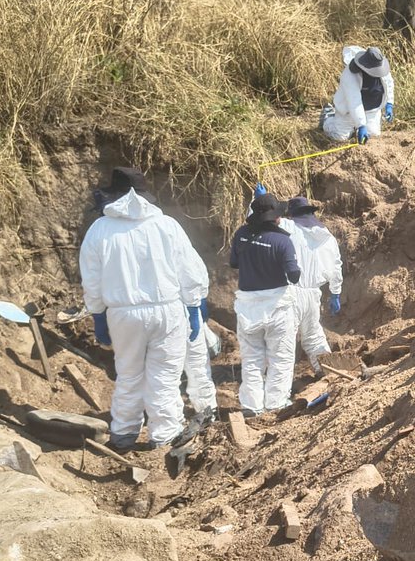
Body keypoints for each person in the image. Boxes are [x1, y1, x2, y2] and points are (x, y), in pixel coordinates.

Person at [79, 167, 208, 450]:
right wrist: (194, 306)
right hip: (167, 310)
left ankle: (124, 431)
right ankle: (164, 435)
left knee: (129, 373)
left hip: (122, 313)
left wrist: (98, 313)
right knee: (165, 375)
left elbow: (91, 277)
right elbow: (190, 270)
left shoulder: (99, 229)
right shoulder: (166, 226)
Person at [229, 193, 301, 415]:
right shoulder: (282, 241)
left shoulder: (241, 235)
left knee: (252, 358)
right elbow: (294, 275)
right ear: (276, 218)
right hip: (277, 306)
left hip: (248, 306)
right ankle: (276, 403)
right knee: (281, 357)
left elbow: (233, 263)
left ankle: (251, 405)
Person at [282, 195, 344, 375]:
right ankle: (331, 373)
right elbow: (336, 266)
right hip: (313, 295)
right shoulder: (327, 236)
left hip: (291, 293)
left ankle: (280, 389)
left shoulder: (289, 228)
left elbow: (261, 221)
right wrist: (335, 293)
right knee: (314, 336)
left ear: (292, 214)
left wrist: (257, 200)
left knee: (284, 340)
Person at [321, 46, 395, 145]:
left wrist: (389, 104)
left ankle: (357, 127)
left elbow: (388, 83)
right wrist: (361, 125)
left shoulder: (380, 66)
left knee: (373, 135)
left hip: (372, 110)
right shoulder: (349, 75)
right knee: (340, 137)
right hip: (348, 111)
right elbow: (354, 101)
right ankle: (328, 117)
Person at [181, 297, 219, 425]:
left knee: (163, 372)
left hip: (162, 310)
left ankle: (166, 429)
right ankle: (206, 413)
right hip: (184, 308)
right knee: (197, 367)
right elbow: (195, 280)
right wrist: (197, 312)